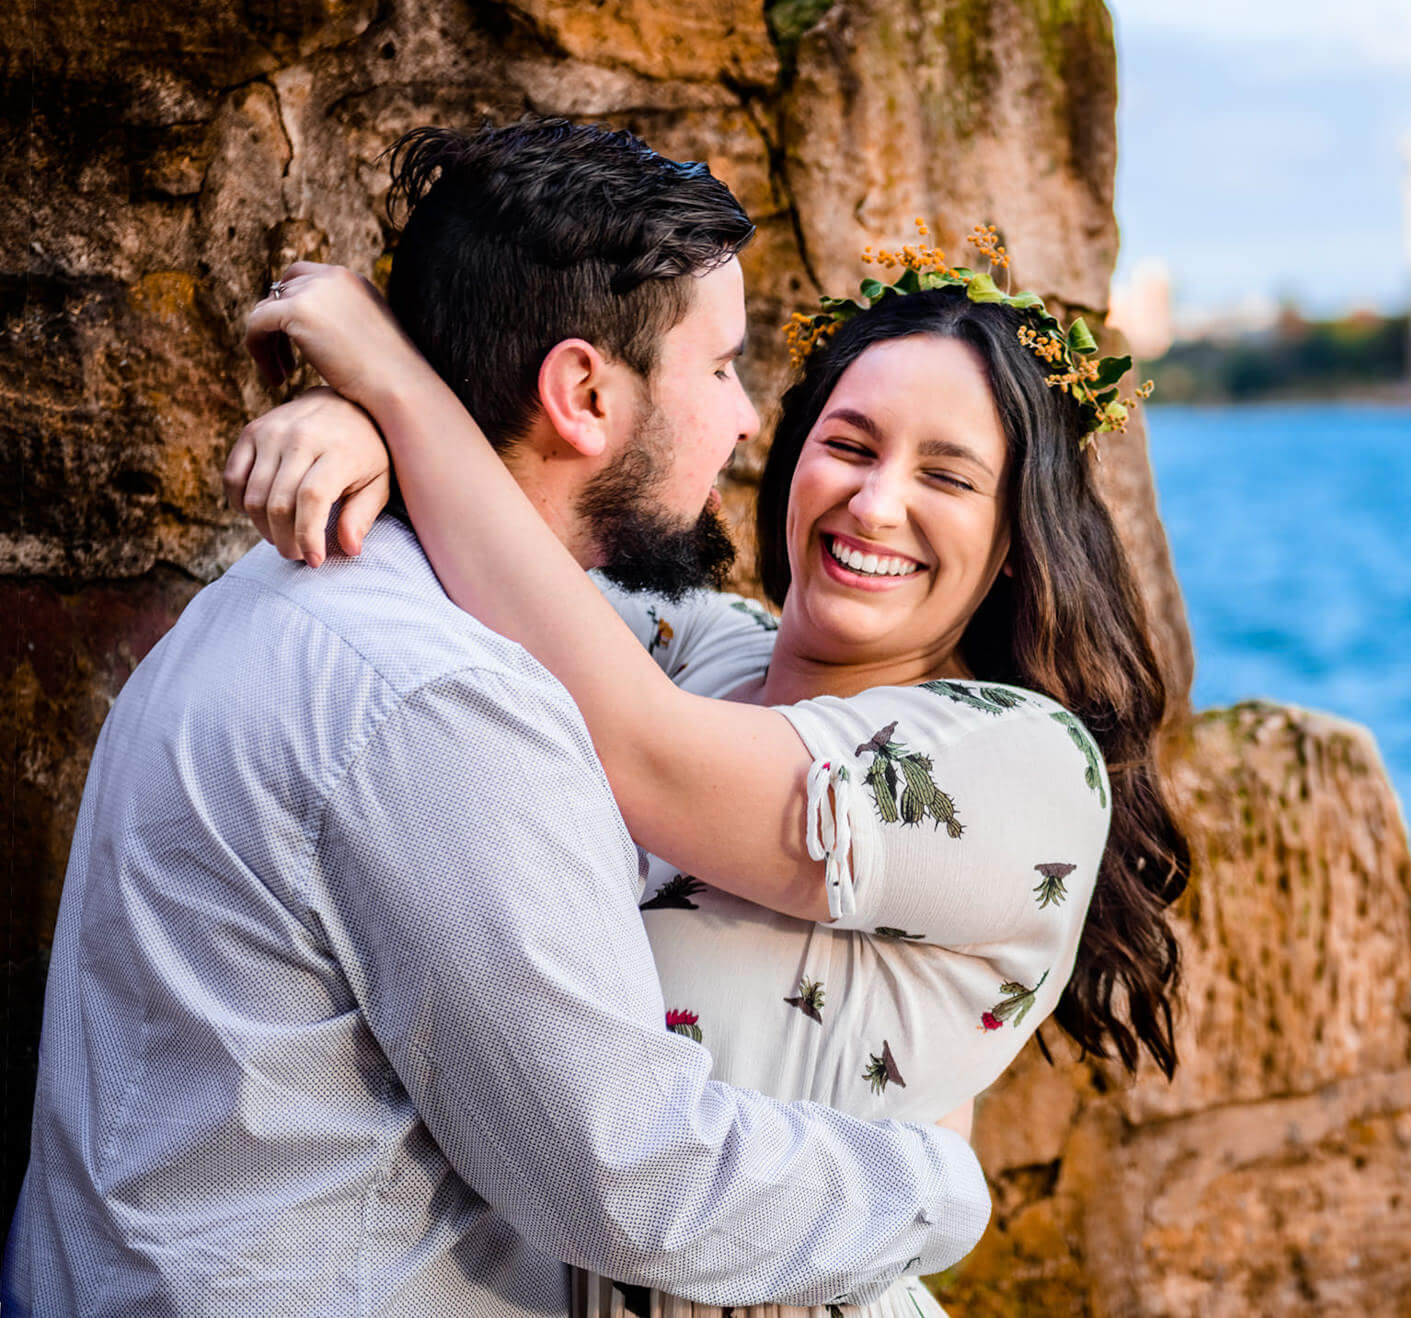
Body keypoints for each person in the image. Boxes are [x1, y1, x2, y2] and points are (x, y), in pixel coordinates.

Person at [3, 123, 996, 1316]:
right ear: (582, 393)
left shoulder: (324, 593)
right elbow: (637, 1177)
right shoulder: (445, 701)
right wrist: (942, 1180)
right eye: (722, 366)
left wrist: (383, 413)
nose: (745, 421)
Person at [213, 159, 1187, 1315]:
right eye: (851, 444)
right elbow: (509, 550)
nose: (875, 504)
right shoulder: (699, 644)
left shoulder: (1020, 764)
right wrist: (363, 431)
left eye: (947, 475)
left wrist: (395, 385)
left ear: (1019, 540)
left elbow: (650, 756)